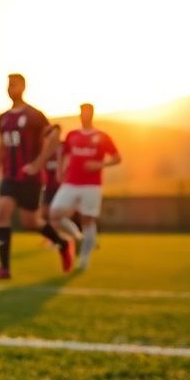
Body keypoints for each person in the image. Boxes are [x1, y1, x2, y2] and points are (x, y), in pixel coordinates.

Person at [0, 73, 74, 280]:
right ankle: (4, 268)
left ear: (23, 87)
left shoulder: (34, 115)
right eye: (8, 84)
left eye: (14, 84)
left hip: (30, 179)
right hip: (10, 176)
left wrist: (37, 164)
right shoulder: (3, 118)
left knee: (30, 222)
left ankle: (62, 242)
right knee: (1, 213)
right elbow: (2, 146)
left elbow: (54, 136)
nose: (10, 88)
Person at [48, 103, 121, 270]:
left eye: (87, 113)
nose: (84, 116)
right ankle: (76, 237)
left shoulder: (102, 136)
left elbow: (117, 158)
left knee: (87, 220)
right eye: (82, 113)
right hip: (71, 182)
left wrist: (99, 164)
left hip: (92, 185)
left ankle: (84, 259)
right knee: (55, 214)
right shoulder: (72, 135)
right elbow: (63, 154)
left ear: (92, 114)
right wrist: (60, 171)